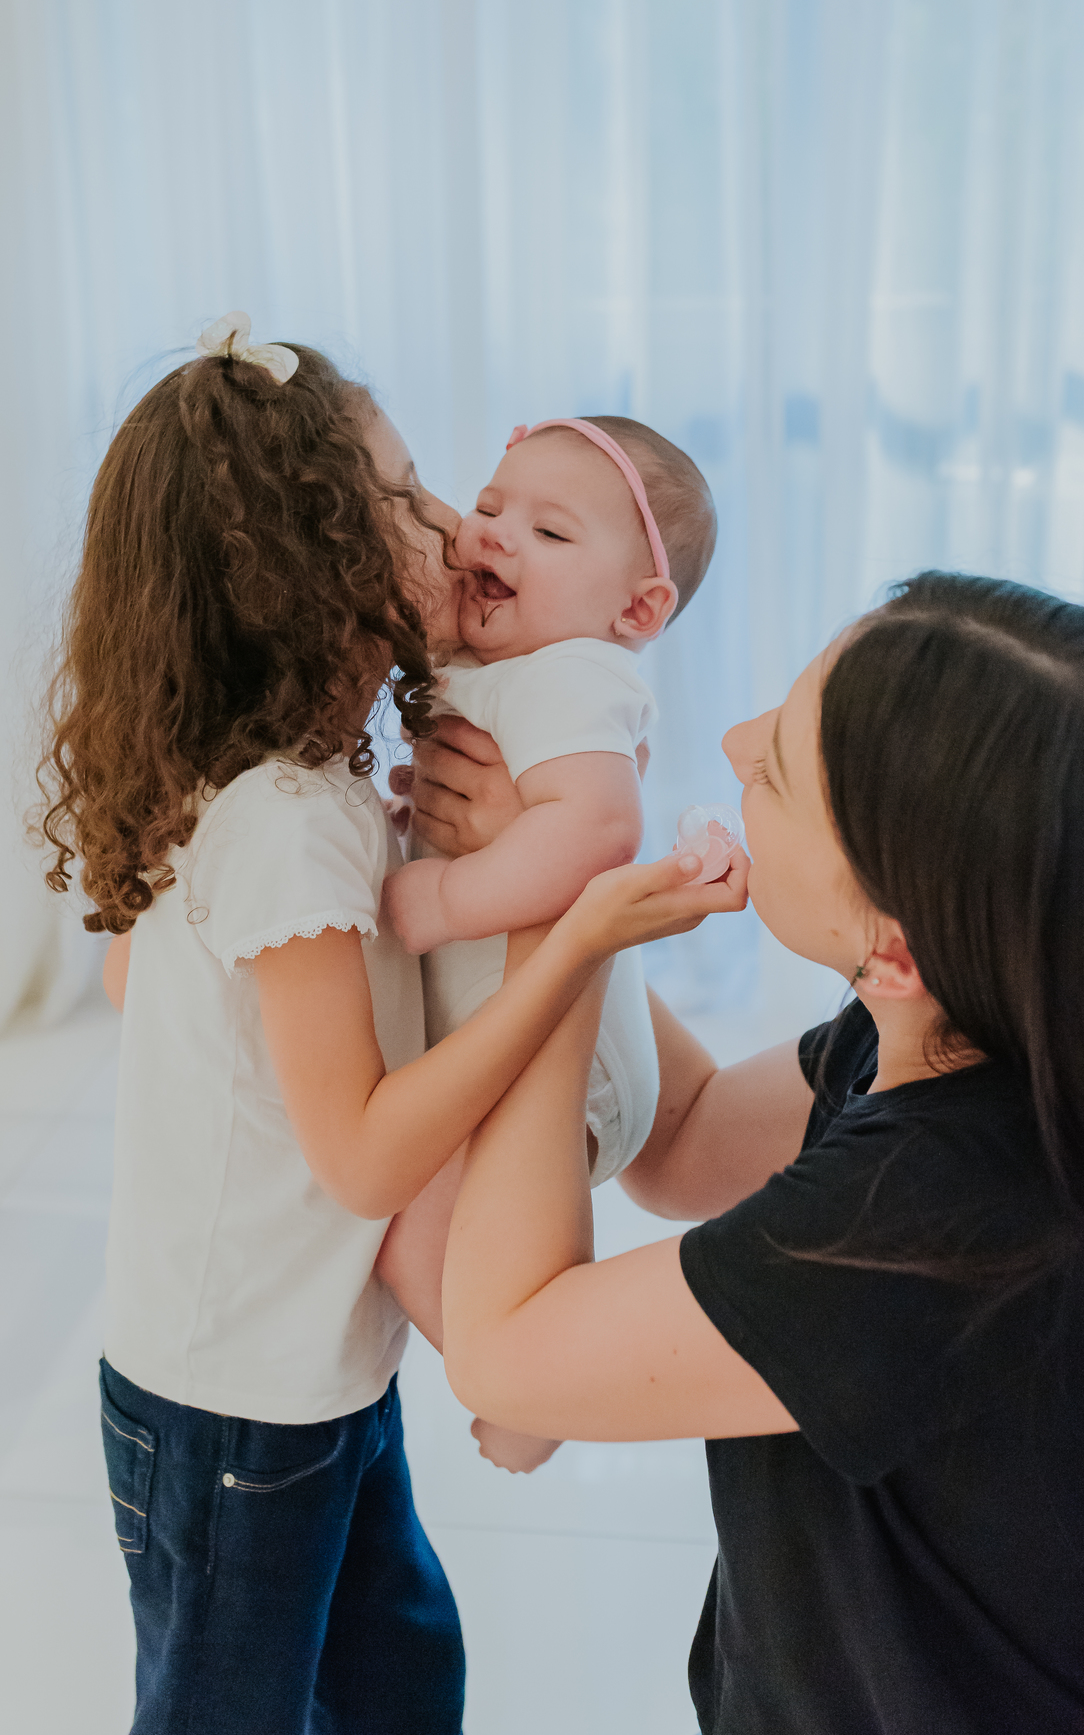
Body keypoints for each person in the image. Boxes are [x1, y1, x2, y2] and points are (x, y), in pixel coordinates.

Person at [38, 312, 743, 1735]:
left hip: (312, 1371)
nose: (459, 529)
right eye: (420, 500)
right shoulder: (293, 823)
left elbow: (135, 982)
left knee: (404, 1673)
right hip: (232, 1407)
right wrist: (574, 944)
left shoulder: (290, 786)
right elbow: (368, 1161)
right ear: (316, 572)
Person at [432, 572, 1084, 1735]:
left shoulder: (925, 1222)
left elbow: (503, 1348)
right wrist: (578, 879)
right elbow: (682, 1141)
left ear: (894, 947)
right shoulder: (1011, 1039)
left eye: (777, 766)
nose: (735, 743)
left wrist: (549, 919)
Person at [375, 416, 716, 1471]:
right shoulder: (506, 667)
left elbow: (599, 828)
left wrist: (444, 895)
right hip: (521, 1046)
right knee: (415, 1226)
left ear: (638, 608)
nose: (495, 538)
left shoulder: (576, 673)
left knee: (410, 1225)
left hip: (567, 1071)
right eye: (487, 509)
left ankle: (535, 1389)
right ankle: (516, 1369)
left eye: (550, 533)